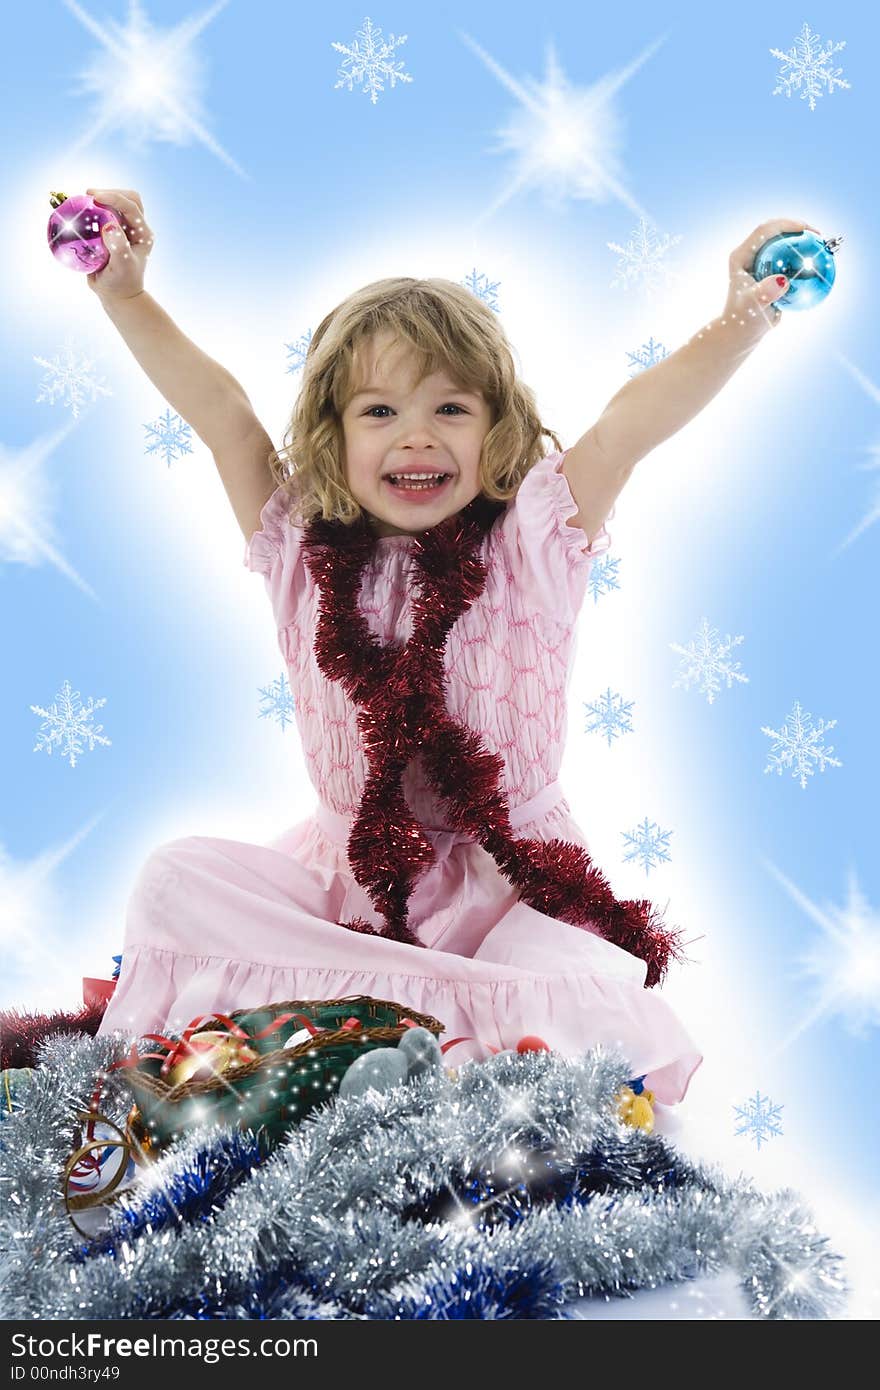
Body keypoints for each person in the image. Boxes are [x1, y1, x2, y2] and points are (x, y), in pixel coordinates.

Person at [89, 187, 816, 1108]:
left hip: (509, 884)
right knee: (174, 877)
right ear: (332, 434)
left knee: (565, 985)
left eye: (452, 410)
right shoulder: (300, 550)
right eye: (379, 412)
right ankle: (383, 1025)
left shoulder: (533, 544)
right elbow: (226, 415)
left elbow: (631, 424)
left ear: (497, 427)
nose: (418, 435)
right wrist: (126, 298)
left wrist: (740, 323)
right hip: (353, 888)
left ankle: (422, 1041)